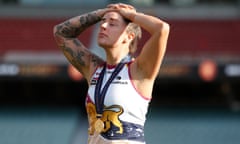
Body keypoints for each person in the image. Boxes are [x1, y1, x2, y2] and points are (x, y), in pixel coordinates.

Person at [53, 3, 170, 144]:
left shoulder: (139, 69)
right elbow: (61, 32)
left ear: (129, 36)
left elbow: (162, 29)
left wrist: (130, 15)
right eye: (103, 22)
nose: (103, 26)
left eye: (112, 24)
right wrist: (102, 13)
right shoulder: (94, 69)